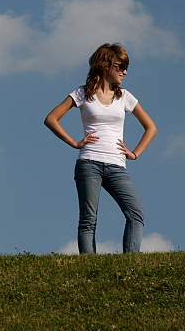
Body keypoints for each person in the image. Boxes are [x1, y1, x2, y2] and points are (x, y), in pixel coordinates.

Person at [44, 43, 157, 253]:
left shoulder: (125, 97)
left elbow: (150, 127)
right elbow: (51, 119)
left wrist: (135, 153)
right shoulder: (82, 93)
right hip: (89, 163)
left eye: (127, 67)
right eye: (121, 65)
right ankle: (89, 268)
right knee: (88, 219)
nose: (125, 71)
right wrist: (75, 143)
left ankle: (130, 264)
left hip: (117, 166)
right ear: (106, 65)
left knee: (135, 213)